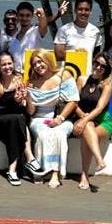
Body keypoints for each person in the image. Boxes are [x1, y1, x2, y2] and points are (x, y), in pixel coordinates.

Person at [26, 49, 79, 189]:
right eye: (34, 64)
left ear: (48, 60)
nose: (38, 66)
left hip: (62, 117)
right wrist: (28, 97)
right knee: (43, 134)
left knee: (59, 134)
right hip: (39, 118)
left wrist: (60, 119)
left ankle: (55, 173)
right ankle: (40, 171)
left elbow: (73, 101)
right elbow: (31, 111)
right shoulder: (32, 82)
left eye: (40, 61)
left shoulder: (64, 75)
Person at [0, 52, 38, 186]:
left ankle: (12, 170)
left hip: (16, 121)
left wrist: (26, 98)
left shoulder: (19, 80)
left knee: (18, 121)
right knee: (18, 119)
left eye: (9, 63)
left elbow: (30, 111)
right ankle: (29, 157)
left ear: (13, 64)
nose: (7, 67)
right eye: (3, 64)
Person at [73, 53, 112, 190]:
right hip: (82, 118)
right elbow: (74, 102)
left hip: (103, 121)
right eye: (96, 63)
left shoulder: (106, 85)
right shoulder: (82, 80)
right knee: (88, 128)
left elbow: (99, 108)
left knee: (87, 132)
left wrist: (85, 120)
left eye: (102, 66)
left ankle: (85, 175)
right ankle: (99, 160)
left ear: (106, 70)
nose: (98, 67)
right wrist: (83, 118)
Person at [0, 2, 52, 73]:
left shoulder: (36, 31)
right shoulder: (14, 38)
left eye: (28, 15)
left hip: (32, 74)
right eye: (21, 15)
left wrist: (42, 15)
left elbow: (43, 26)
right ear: (17, 16)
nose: (24, 18)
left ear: (32, 16)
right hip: (15, 76)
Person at [53, 0, 102, 64]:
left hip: (87, 73)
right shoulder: (64, 30)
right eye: (80, 9)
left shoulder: (95, 31)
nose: (83, 12)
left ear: (90, 11)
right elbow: (58, 55)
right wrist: (76, 54)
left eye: (86, 10)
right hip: (68, 72)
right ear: (75, 11)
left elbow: (96, 56)